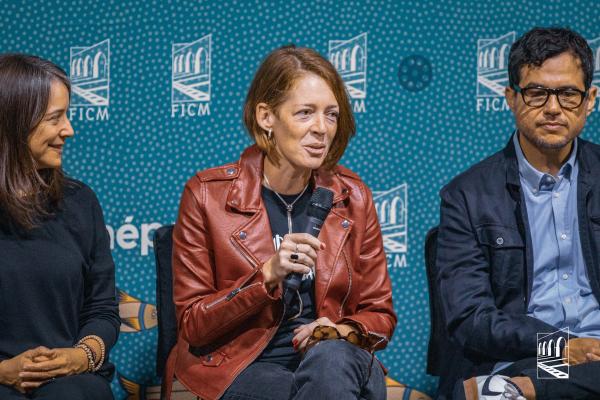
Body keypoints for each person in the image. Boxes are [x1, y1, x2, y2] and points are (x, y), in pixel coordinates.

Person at [165, 45, 397, 400]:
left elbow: (379, 313)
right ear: (265, 116)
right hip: (240, 365)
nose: (322, 129)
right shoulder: (207, 196)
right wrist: (265, 276)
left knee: (331, 362)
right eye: (305, 113)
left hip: (335, 360)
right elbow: (194, 326)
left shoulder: (354, 197)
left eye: (331, 115)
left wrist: (339, 331)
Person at [435, 27, 600, 400]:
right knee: (511, 382)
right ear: (511, 98)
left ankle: (528, 391)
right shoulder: (467, 195)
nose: (553, 108)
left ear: (590, 99)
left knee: (507, 391)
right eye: (537, 93)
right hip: (524, 356)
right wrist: (558, 347)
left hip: (598, 353)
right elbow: (470, 319)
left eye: (568, 94)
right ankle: (526, 385)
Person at [0, 54, 120, 399]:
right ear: (15, 123)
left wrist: (80, 357)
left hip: (71, 381)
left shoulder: (80, 202)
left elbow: (102, 309)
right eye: (55, 118)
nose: (69, 129)